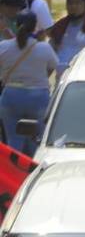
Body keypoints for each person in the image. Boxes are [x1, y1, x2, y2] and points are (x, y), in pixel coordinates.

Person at [0, 10, 58, 154]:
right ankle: (34, 165)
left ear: (16, 24)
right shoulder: (44, 48)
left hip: (11, 96)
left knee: (13, 140)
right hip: (38, 97)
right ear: (35, 27)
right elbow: (54, 66)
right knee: (37, 141)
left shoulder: (4, 46)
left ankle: (15, 167)